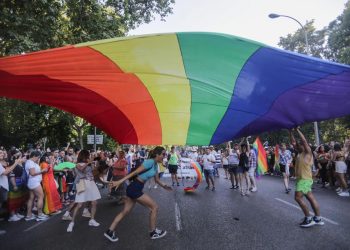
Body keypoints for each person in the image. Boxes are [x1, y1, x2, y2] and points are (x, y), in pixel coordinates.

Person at [105, 146, 172, 242]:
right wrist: (119, 181)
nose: (164, 156)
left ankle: (109, 231)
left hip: (135, 188)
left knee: (125, 211)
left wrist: (165, 186)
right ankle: (153, 232)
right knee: (154, 207)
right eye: (163, 154)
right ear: (157, 155)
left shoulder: (156, 165)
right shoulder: (150, 162)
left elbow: (157, 180)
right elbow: (134, 172)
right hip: (135, 188)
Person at [289, 128, 324, 227]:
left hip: (304, 180)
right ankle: (318, 218)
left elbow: (304, 141)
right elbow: (293, 142)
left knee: (297, 198)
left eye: (300, 145)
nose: (297, 145)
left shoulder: (308, 153)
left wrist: (297, 130)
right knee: (310, 198)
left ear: (304, 146)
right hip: (304, 180)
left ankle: (308, 218)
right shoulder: (300, 153)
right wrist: (290, 132)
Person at [66, 150, 101, 232]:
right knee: (79, 204)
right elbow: (81, 169)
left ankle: (92, 220)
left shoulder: (89, 163)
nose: (89, 157)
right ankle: (71, 223)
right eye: (88, 155)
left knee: (94, 202)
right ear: (84, 156)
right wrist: (89, 162)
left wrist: (96, 166)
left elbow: (92, 173)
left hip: (91, 184)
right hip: (82, 184)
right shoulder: (77, 164)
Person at [25, 151, 49, 221]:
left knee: (31, 198)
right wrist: (42, 171)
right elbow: (32, 173)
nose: (38, 159)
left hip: (32, 182)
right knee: (41, 197)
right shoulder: (30, 163)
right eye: (38, 157)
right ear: (34, 156)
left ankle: (29, 215)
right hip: (34, 182)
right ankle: (40, 214)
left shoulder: (30, 162)